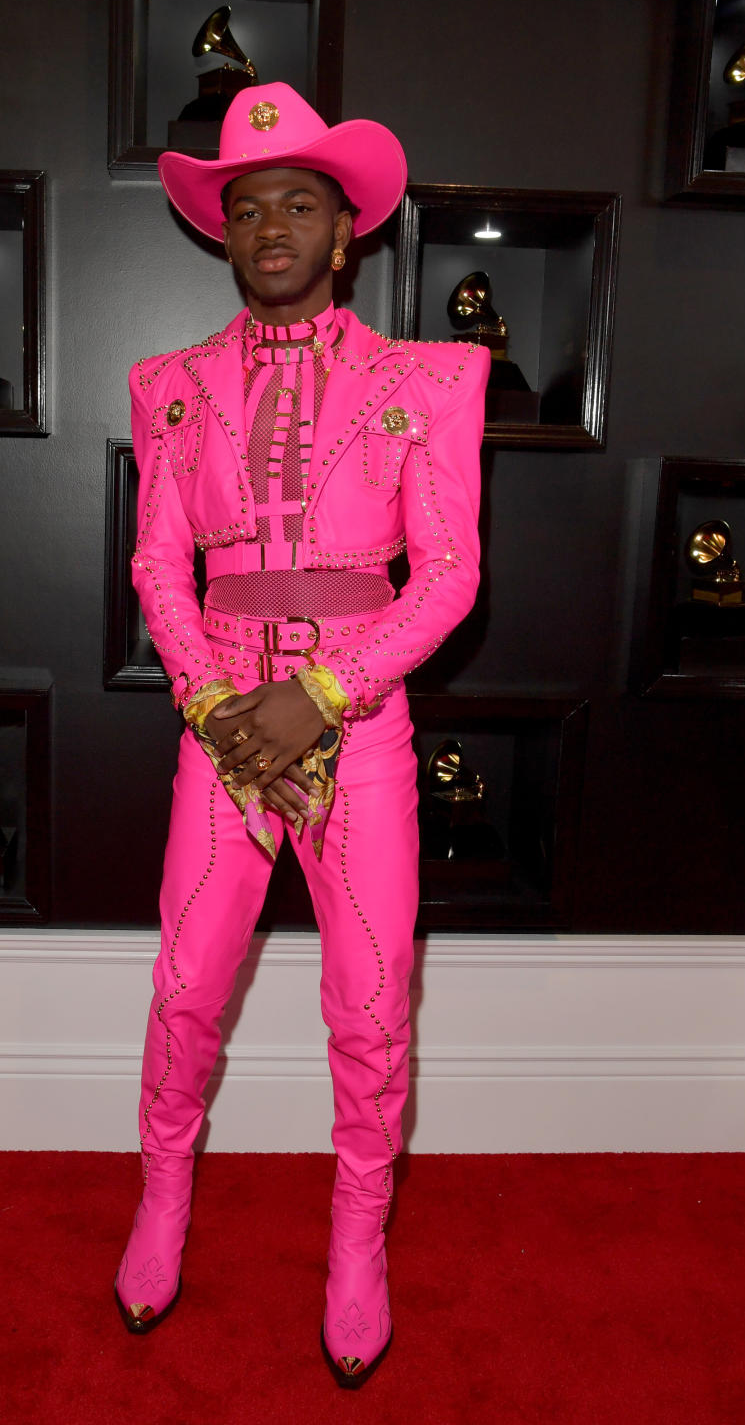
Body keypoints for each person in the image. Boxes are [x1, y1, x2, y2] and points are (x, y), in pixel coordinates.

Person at [115, 81, 489, 1388]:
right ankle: (163, 1197)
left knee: (375, 1002)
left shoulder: (424, 383)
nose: (271, 224)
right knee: (184, 986)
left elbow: (447, 576)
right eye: (247, 205)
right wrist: (221, 703)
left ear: (345, 232)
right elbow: (160, 568)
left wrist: (322, 694)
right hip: (220, 725)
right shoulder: (168, 388)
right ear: (223, 232)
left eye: (299, 204)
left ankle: (357, 1236)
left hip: (362, 726)